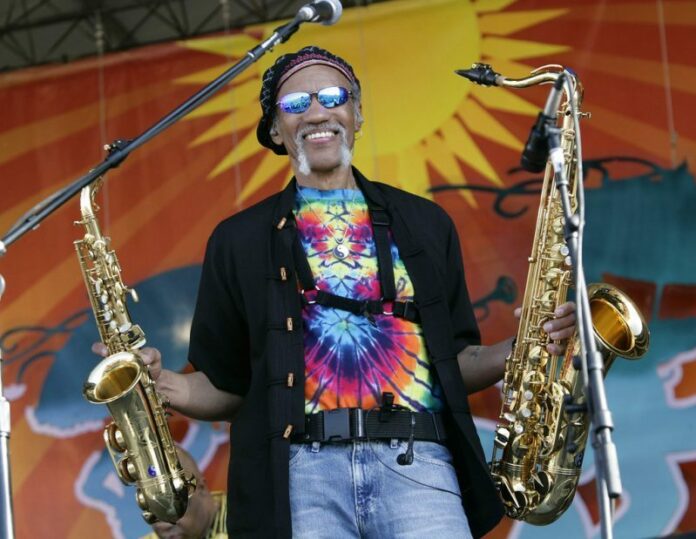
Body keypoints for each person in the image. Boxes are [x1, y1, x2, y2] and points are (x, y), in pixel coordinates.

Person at [119, 46, 576, 538]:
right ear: (275, 129)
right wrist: (163, 385)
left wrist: (523, 348)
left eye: (333, 96)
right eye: (295, 103)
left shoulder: (426, 223)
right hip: (301, 477)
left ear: (356, 113)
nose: (317, 111)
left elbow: (454, 361)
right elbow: (229, 387)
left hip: (419, 462)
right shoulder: (237, 240)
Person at [140, 447, 227, 539]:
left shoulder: (242, 522)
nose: (164, 526)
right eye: (154, 512)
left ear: (201, 488)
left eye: (176, 507)